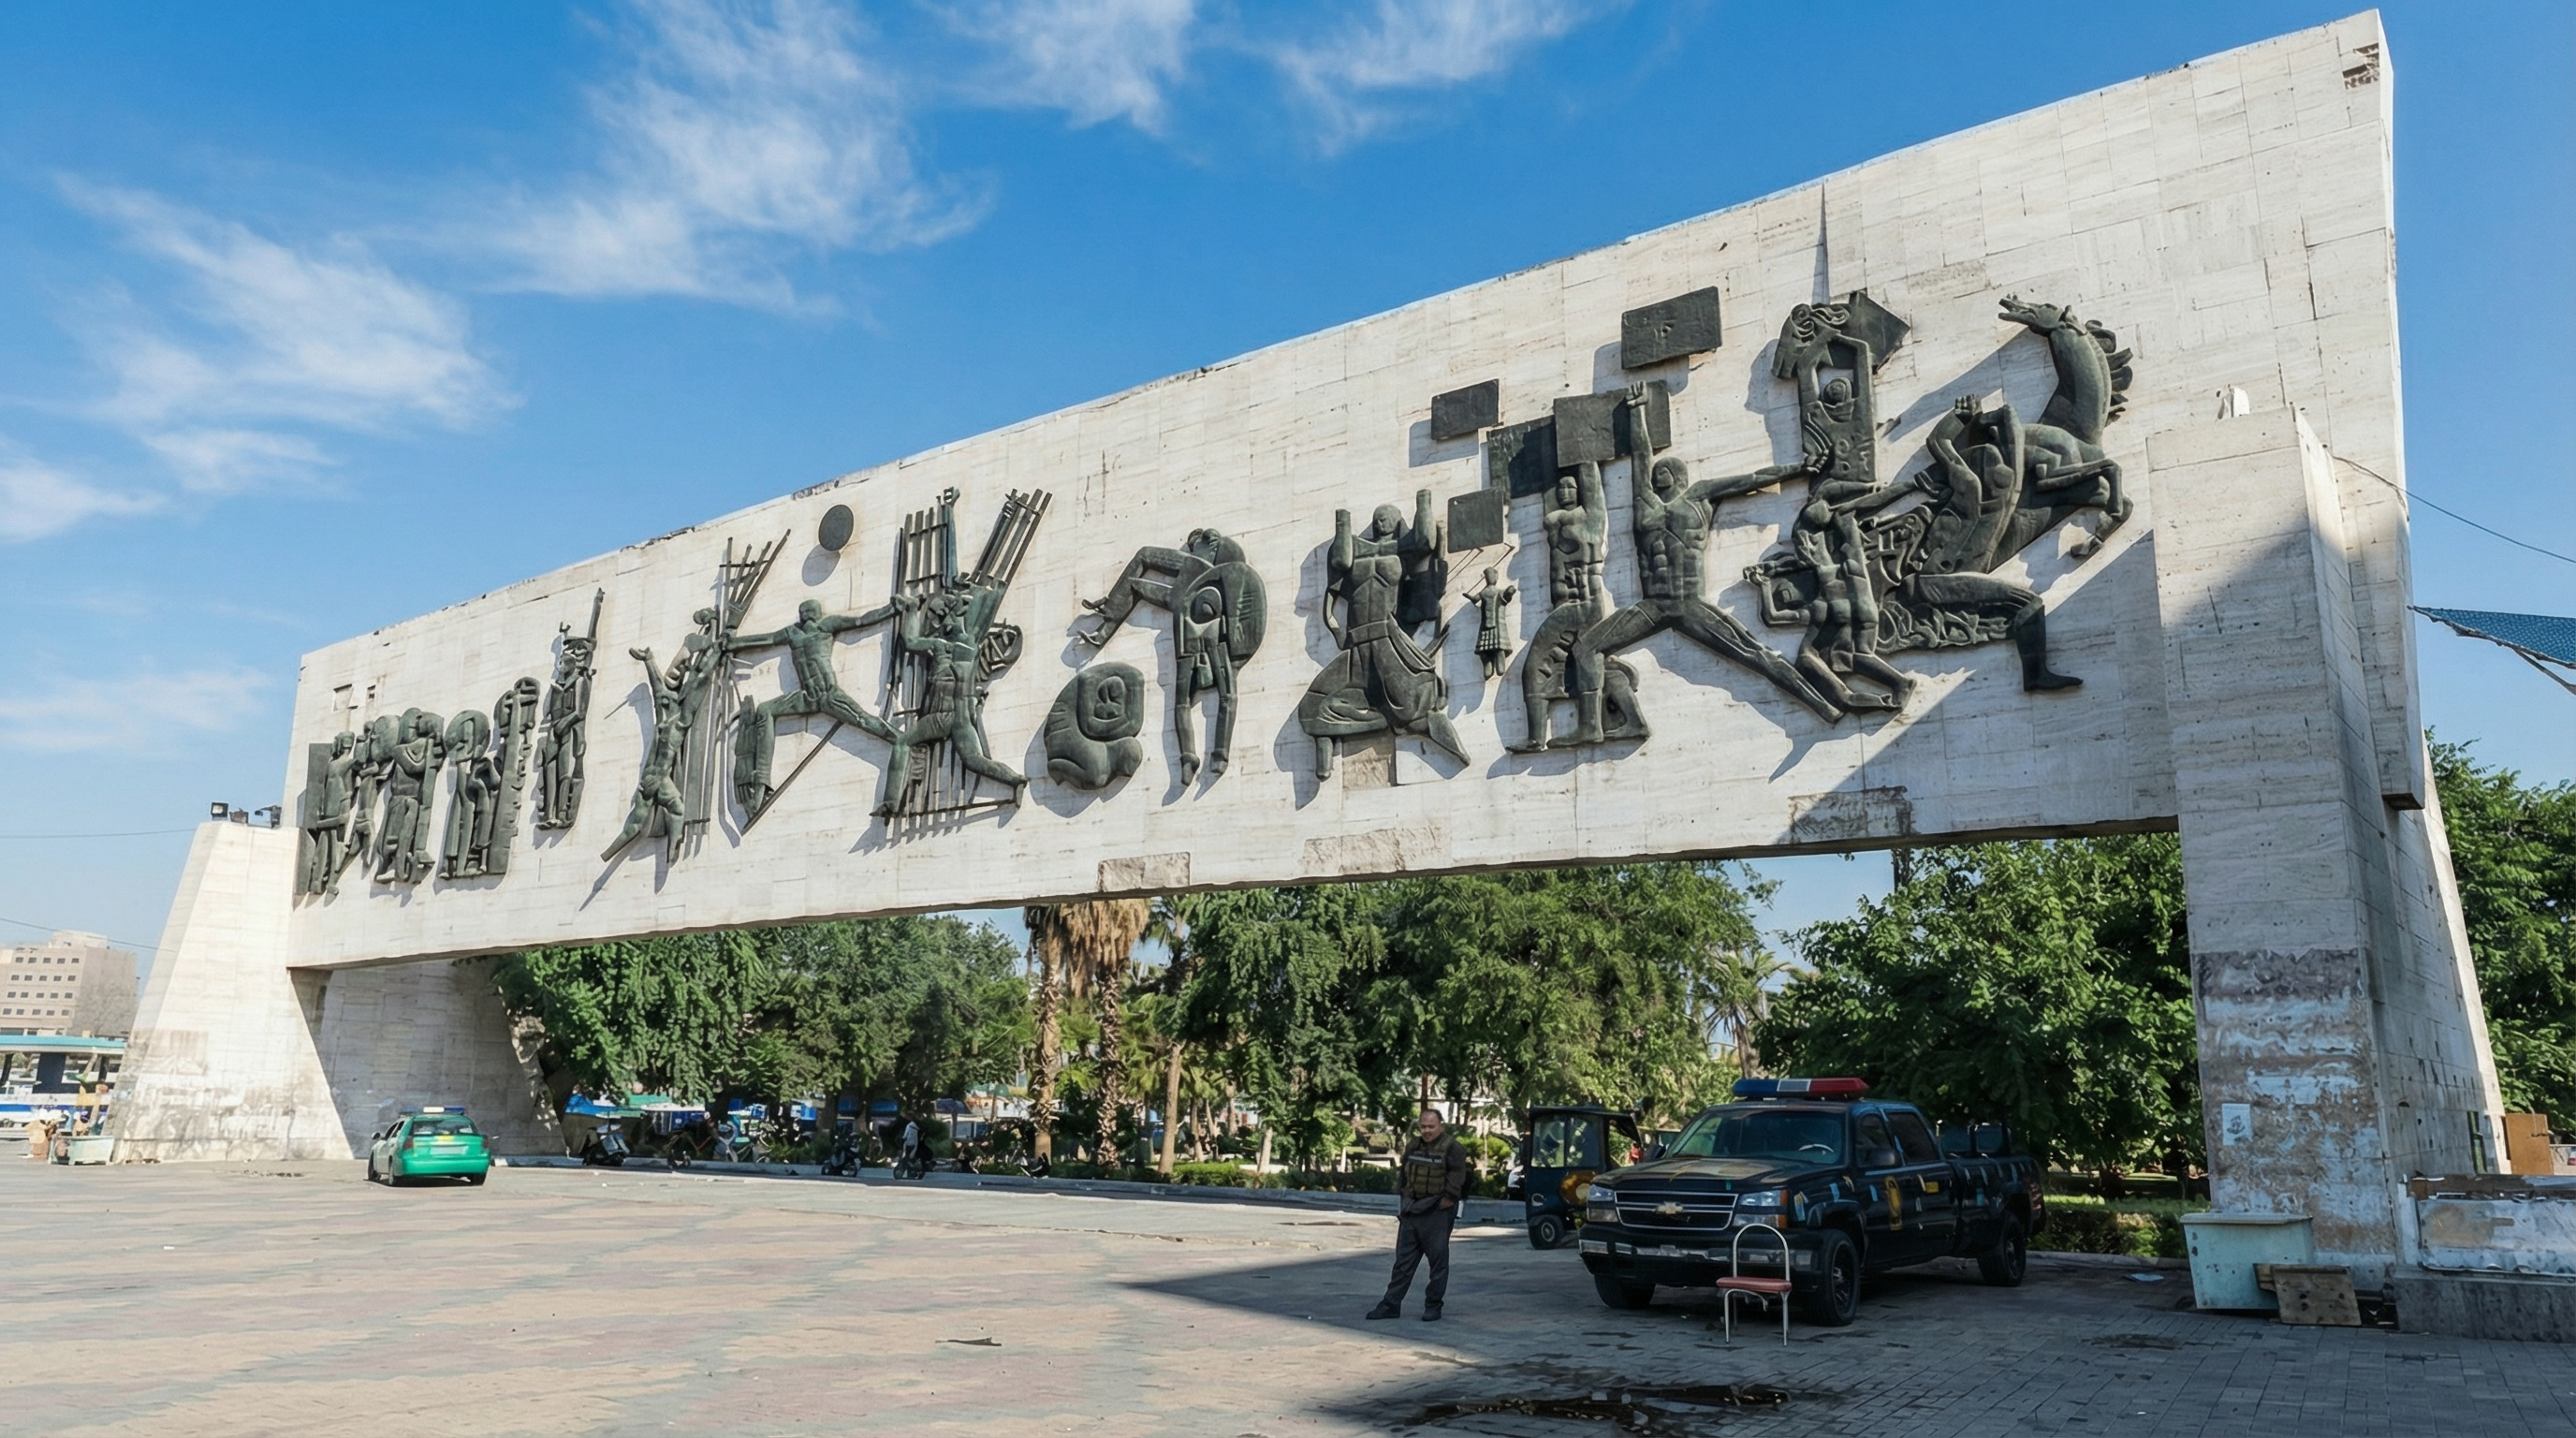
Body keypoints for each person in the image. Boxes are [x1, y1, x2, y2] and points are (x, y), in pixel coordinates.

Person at [1368, 1108, 1471, 1322]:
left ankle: (1433, 1306)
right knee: (1402, 1263)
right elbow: (1404, 1174)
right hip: (1411, 1211)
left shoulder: (1453, 1148)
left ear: (1440, 1125)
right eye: (1423, 1126)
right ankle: (1390, 1305)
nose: (1426, 1130)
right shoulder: (1414, 1145)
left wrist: (1447, 1201)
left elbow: (1458, 1178)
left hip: (1436, 1212)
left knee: (1438, 1263)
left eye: (1431, 1126)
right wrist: (1404, 1201)